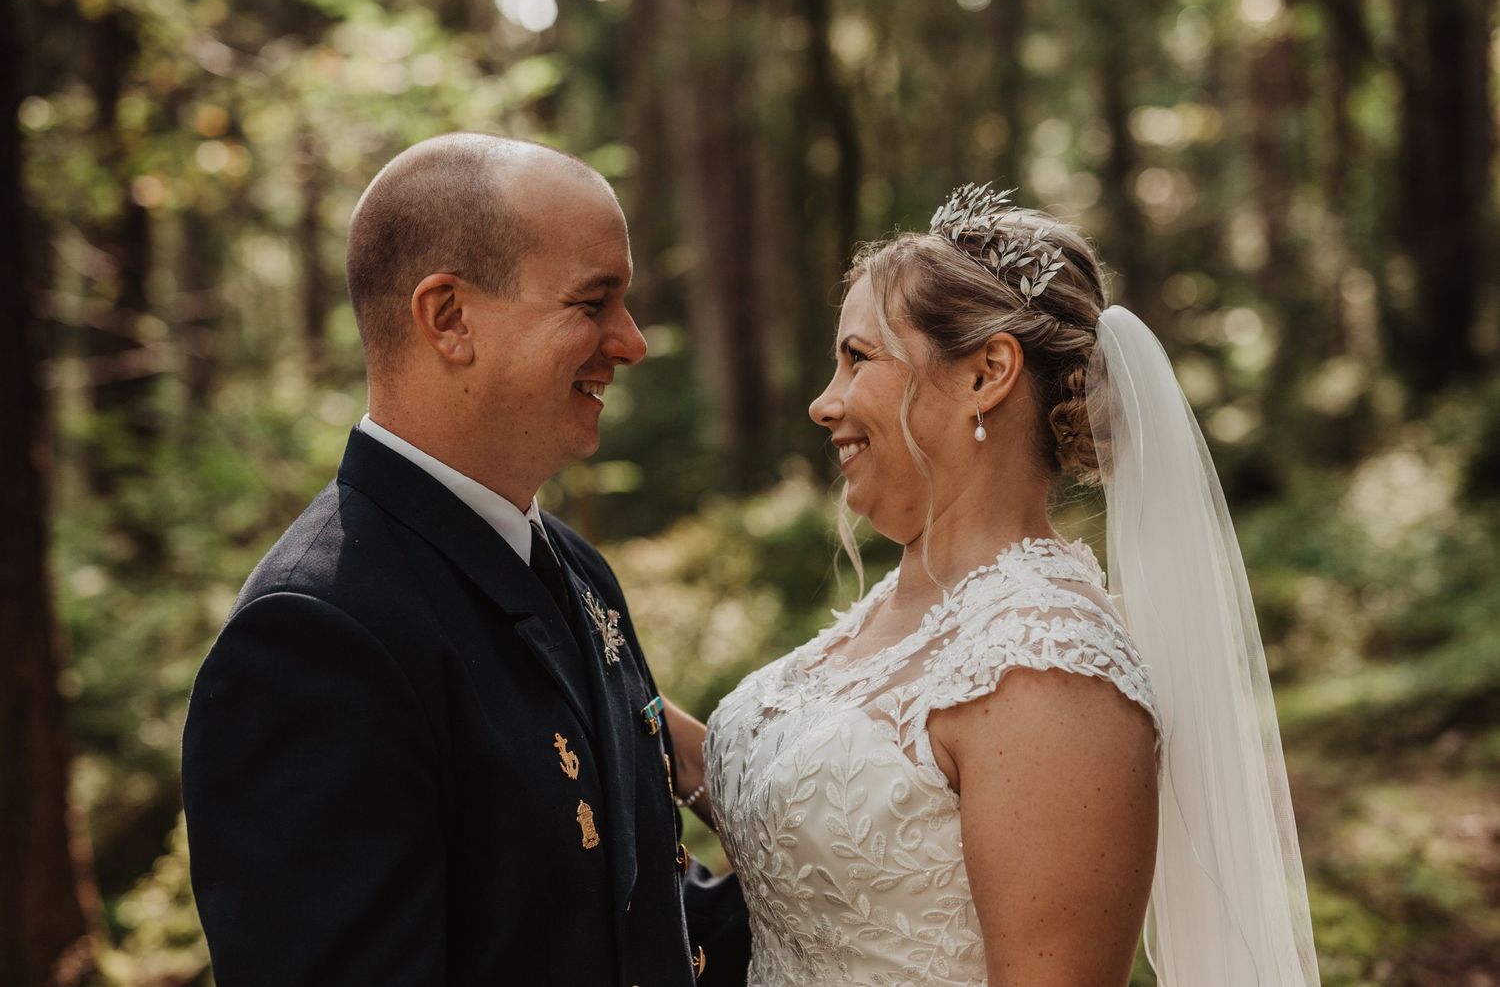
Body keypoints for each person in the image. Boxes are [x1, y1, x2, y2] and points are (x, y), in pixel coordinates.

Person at [697, 185, 1320, 985]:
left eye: (858, 358)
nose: (825, 403)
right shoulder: (902, 610)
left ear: (987, 373)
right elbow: (797, 807)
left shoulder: (1049, 667)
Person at [181, 133, 748, 986]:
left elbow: (637, 916)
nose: (631, 342)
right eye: (593, 302)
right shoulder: (314, 635)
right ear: (448, 318)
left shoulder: (577, 569)